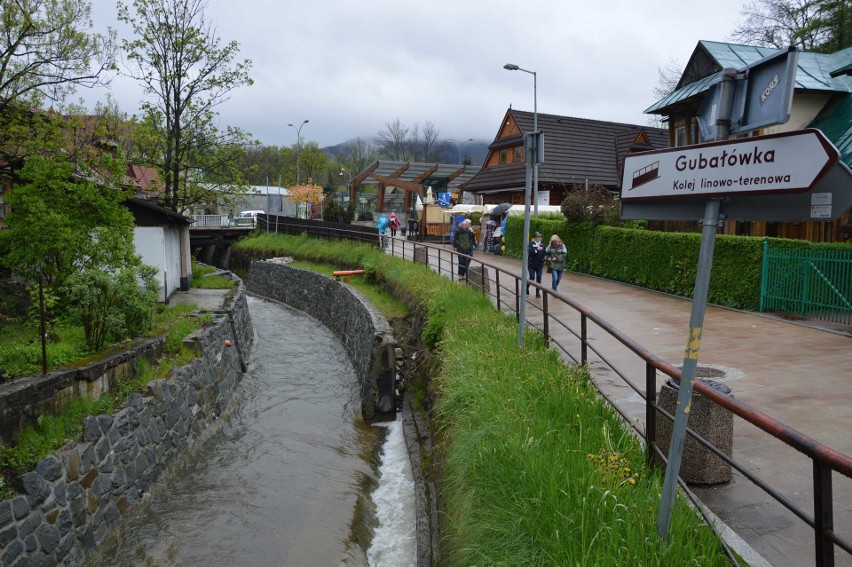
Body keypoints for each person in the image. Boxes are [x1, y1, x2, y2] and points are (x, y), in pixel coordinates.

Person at [526, 231, 546, 297]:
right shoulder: (530, 244)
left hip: (539, 264)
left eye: (540, 237)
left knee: (539, 278)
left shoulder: (542, 245)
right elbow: (530, 252)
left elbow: (545, 253)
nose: (539, 238)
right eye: (537, 237)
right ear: (534, 238)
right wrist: (537, 249)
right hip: (531, 264)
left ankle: (537, 293)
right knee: (532, 277)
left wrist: (546, 257)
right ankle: (526, 288)